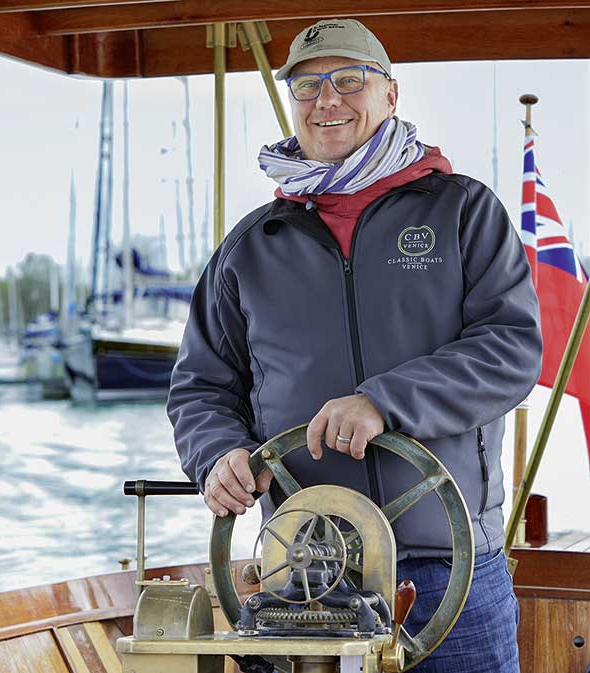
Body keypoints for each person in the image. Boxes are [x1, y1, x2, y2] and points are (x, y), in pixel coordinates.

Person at [167, 17, 541, 673]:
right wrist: (218, 453)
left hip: (447, 565)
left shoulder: (461, 211)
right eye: (307, 85)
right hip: (303, 569)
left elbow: (510, 349)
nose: (327, 100)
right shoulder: (253, 245)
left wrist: (383, 402)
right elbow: (201, 385)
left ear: (390, 96)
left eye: (348, 80)